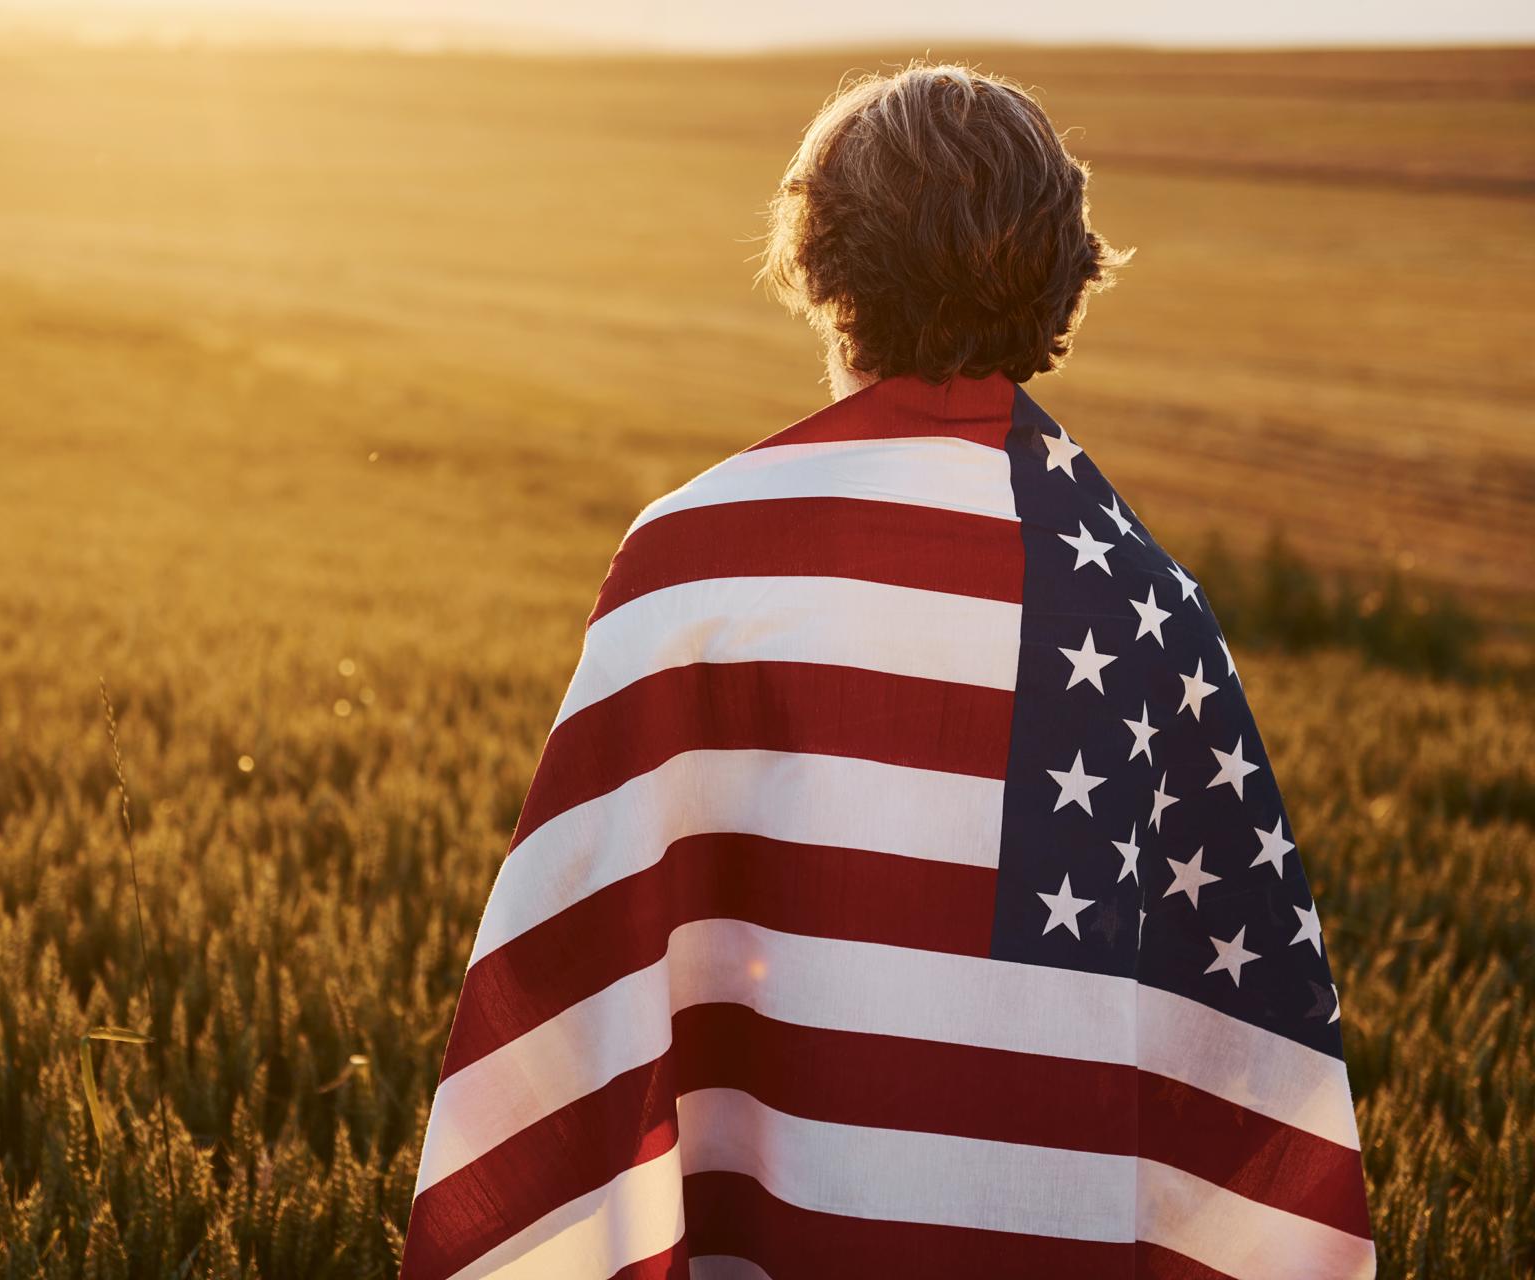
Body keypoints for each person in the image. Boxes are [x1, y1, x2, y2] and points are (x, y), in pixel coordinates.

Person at [400, 64, 1374, 1279]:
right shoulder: (1148, 604)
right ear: (1061, 276)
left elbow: (571, 984)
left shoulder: (694, 560)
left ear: (821, 267)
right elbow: (1238, 1070)